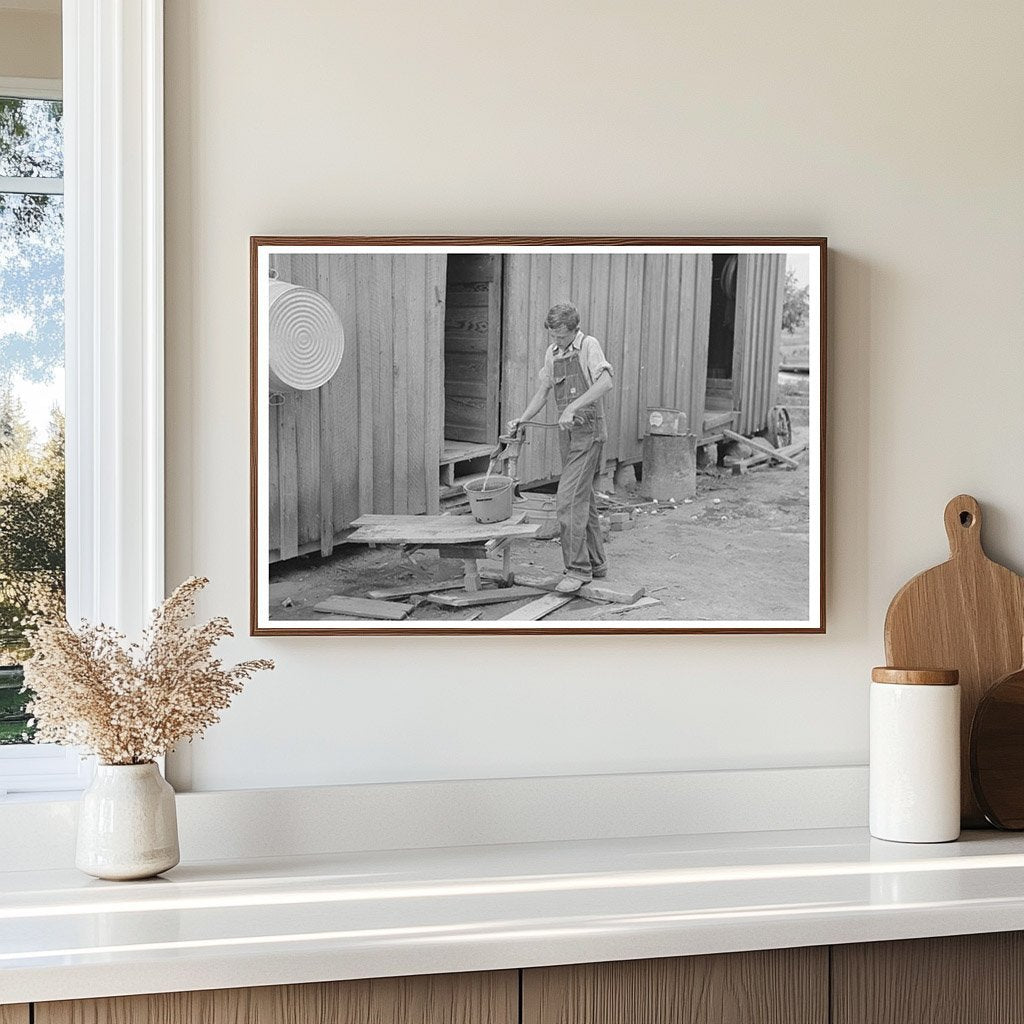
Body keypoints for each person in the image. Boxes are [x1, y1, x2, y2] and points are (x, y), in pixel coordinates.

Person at [508, 302, 614, 593]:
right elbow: (544, 391)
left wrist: (574, 407)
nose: (556, 341)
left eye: (561, 336)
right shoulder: (552, 353)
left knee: (567, 500)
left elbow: (606, 382)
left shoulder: (589, 345)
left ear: (575, 329)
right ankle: (596, 563)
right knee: (584, 498)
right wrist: (523, 419)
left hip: (589, 432)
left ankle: (577, 571)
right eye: (552, 336)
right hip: (567, 436)